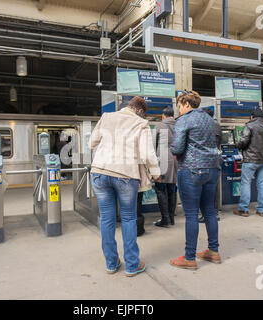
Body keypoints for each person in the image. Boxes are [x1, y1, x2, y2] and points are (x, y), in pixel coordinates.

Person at [89, 96, 160, 277]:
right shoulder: (141, 124)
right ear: (141, 111)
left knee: (107, 219)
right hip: (125, 175)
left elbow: (91, 144)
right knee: (128, 219)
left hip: (99, 171)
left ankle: (111, 264)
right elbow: (147, 154)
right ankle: (131, 265)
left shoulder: (106, 117)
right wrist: (156, 173)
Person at [169, 90, 221, 270]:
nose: (179, 110)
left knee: (191, 214)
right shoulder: (209, 119)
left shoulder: (184, 120)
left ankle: (190, 257)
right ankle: (213, 251)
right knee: (209, 212)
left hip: (192, 170)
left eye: (180, 106)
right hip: (213, 169)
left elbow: (176, 148)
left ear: (186, 104)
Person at [234, 109, 263, 217]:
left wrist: (238, 145)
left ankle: (244, 209)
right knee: (261, 183)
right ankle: (261, 209)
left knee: (246, 183)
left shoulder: (249, 126)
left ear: (252, 117)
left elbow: (243, 141)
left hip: (250, 160)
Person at [153, 106, 178, 228]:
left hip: (163, 160)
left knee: (160, 188)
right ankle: (171, 218)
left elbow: (153, 145)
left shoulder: (159, 126)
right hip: (175, 160)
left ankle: (165, 219)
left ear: (163, 115)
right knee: (172, 188)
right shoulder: (179, 125)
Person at [199, 107, 222, 223]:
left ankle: (206, 214)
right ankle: (215, 212)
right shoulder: (217, 125)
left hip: (205, 158)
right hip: (216, 157)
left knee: (204, 187)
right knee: (215, 186)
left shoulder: (204, 125)